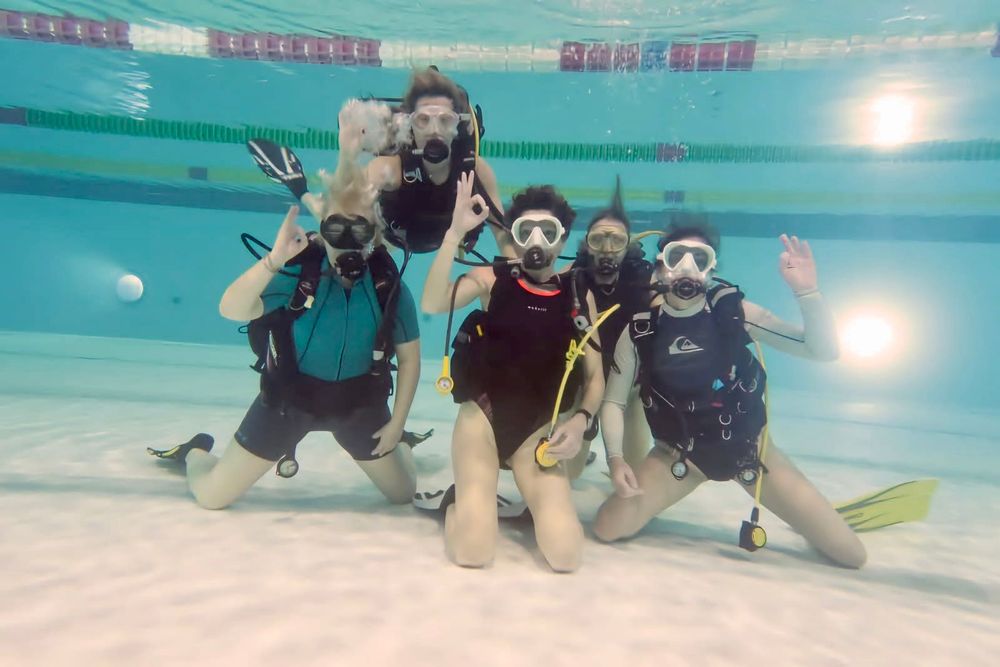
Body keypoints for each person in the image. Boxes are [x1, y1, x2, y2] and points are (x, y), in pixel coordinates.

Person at [147, 144, 422, 509]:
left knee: (403, 494)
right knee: (213, 497)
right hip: (289, 401)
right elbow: (230, 309)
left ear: (374, 234)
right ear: (322, 231)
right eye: (336, 229)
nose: (347, 242)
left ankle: (402, 442)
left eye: (359, 231)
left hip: (360, 404)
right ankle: (196, 452)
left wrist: (396, 423)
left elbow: (410, 361)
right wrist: (274, 260)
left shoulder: (388, 285)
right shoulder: (297, 273)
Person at [592, 219, 867, 568]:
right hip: (677, 457)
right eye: (677, 256)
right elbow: (614, 403)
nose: (687, 268)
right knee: (607, 527)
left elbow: (821, 351)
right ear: (661, 265)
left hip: (751, 451)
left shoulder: (735, 314)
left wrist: (807, 292)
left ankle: (806, 514)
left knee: (851, 555)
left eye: (700, 258)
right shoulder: (641, 329)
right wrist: (616, 460)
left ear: (710, 269)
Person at [421, 173, 604, 572]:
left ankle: (497, 502)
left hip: (537, 430)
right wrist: (453, 235)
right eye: (526, 230)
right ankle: (460, 505)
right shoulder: (493, 280)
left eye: (548, 230)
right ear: (516, 237)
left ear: (561, 238)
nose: (537, 240)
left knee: (567, 556)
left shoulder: (577, 294)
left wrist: (581, 422)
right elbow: (433, 302)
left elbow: (594, 377)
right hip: (482, 419)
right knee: (473, 551)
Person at [565, 178, 653, 480]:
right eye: (598, 240)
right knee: (566, 476)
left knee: (636, 480)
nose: (606, 249)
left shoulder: (645, 284)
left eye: (616, 241)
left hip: (629, 391)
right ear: (586, 244)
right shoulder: (573, 281)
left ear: (628, 246)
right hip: (583, 387)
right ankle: (584, 451)